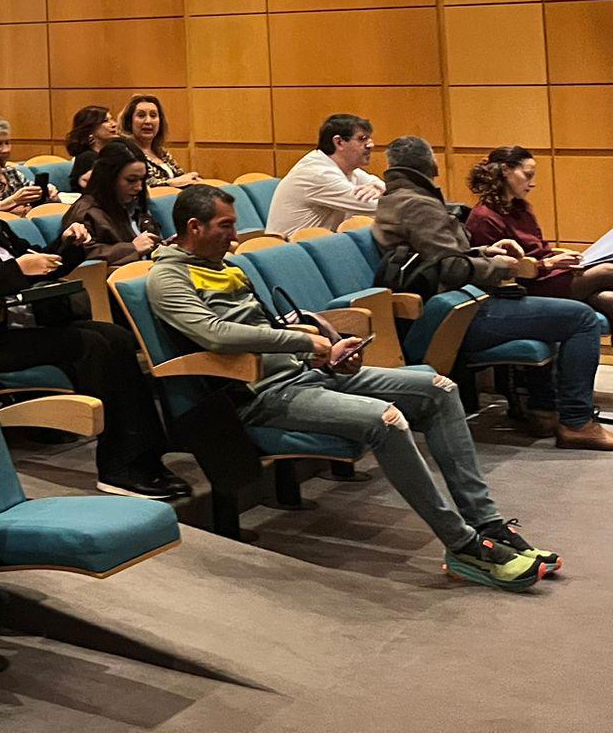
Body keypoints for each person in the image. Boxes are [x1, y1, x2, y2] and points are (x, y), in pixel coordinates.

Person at [151, 184, 556, 587]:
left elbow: (270, 329)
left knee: (439, 389)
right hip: (262, 395)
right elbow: (216, 336)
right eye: (225, 226)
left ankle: (489, 525)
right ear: (194, 227)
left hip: (307, 373)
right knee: (387, 420)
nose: (236, 236)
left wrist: (325, 348)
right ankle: (464, 545)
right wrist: (304, 342)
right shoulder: (166, 278)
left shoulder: (225, 267)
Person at [0, 143, 185, 499]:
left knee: (116, 337)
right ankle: (118, 465)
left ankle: (146, 456)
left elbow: (40, 267)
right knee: (92, 345)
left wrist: (69, 245)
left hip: (27, 326)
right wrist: (16, 269)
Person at [373, 135, 611, 450]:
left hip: (463, 304)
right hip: (458, 313)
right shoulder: (417, 204)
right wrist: (507, 266)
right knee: (582, 318)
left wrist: (486, 252)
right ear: (428, 163)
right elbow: (452, 269)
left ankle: (548, 409)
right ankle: (577, 423)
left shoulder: (404, 199)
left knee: (591, 306)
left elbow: (448, 257)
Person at [468, 145, 613, 327]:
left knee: (608, 299)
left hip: (547, 275)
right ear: (505, 171)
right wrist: (546, 264)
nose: (533, 183)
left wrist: (560, 259)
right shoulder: (484, 217)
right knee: (606, 271)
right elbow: (494, 269)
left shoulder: (521, 207)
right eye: (528, 175)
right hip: (526, 285)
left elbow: (540, 247)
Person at [264, 114, 383, 236]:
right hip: (290, 250)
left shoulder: (347, 169)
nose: (371, 145)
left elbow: (386, 188)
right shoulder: (318, 173)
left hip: (317, 246)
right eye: (362, 139)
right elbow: (377, 207)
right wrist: (383, 193)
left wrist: (380, 189)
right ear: (339, 142)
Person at [62, 139, 159, 265]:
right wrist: (132, 249)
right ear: (109, 178)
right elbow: (81, 257)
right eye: (131, 180)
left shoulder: (135, 204)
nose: (139, 187)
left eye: (142, 179)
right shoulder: (86, 211)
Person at [120, 94, 196, 185]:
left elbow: (181, 177)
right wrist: (169, 183)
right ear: (129, 122)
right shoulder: (125, 152)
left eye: (153, 115)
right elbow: (139, 185)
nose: (148, 121)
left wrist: (192, 179)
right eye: (141, 115)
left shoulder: (161, 152)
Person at [64, 103, 118, 193]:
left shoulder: (112, 153)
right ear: (90, 128)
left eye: (112, 119)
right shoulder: (86, 158)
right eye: (105, 121)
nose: (114, 124)